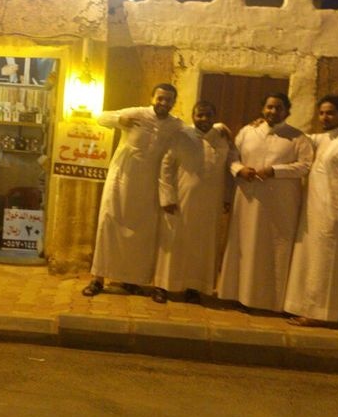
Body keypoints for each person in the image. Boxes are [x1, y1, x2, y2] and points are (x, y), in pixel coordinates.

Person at [82, 83, 183, 296]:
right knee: (108, 226)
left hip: (148, 187)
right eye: (160, 98)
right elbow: (100, 117)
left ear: (174, 102)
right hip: (120, 181)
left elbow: (194, 133)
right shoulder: (137, 113)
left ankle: (130, 279)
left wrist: (219, 127)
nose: (164, 103)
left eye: (168, 99)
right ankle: (98, 279)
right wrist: (120, 120)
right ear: (152, 98)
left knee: (141, 234)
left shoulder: (175, 125)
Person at [217, 92, 313, 312]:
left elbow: (305, 165)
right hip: (247, 199)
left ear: (287, 111)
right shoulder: (247, 132)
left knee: (273, 248)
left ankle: (269, 300)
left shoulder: (297, 137)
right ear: (262, 109)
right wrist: (240, 169)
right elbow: (232, 156)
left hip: (279, 204)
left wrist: (274, 171)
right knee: (245, 244)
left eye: (279, 108)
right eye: (269, 107)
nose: (273, 111)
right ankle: (237, 294)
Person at [284, 95, 338, 326]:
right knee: (333, 260)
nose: (324, 117)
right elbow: (300, 138)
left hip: (335, 212)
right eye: (321, 113)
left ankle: (316, 313)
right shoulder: (325, 138)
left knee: (324, 261)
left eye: (330, 113)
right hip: (318, 210)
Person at [152, 100, 233, 304]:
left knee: (202, 246)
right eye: (200, 115)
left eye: (208, 115)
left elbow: (227, 169)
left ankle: (193, 288)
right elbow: (166, 166)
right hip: (181, 201)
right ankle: (162, 286)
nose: (204, 119)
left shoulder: (222, 139)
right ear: (193, 116)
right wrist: (167, 197)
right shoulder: (181, 136)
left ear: (214, 117)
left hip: (210, 204)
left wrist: (226, 198)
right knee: (173, 243)